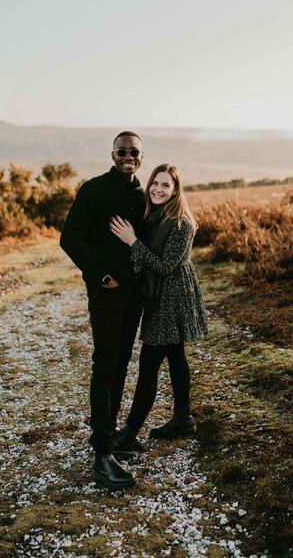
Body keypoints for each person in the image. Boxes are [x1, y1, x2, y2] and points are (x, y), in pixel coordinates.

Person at [59, 131, 146, 490]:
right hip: (107, 293)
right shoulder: (94, 190)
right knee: (105, 364)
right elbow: (70, 237)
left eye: (134, 151)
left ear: (141, 156)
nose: (128, 155)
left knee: (122, 362)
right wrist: (101, 276)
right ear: (113, 155)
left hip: (134, 296)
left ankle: (109, 440)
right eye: (122, 151)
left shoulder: (143, 196)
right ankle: (100, 455)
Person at [109, 163, 208, 456]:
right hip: (159, 297)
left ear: (176, 190)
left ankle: (128, 434)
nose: (158, 189)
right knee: (175, 353)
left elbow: (164, 265)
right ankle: (182, 418)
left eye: (166, 185)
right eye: (155, 183)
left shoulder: (181, 224)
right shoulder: (154, 217)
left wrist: (132, 242)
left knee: (149, 363)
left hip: (172, 299)